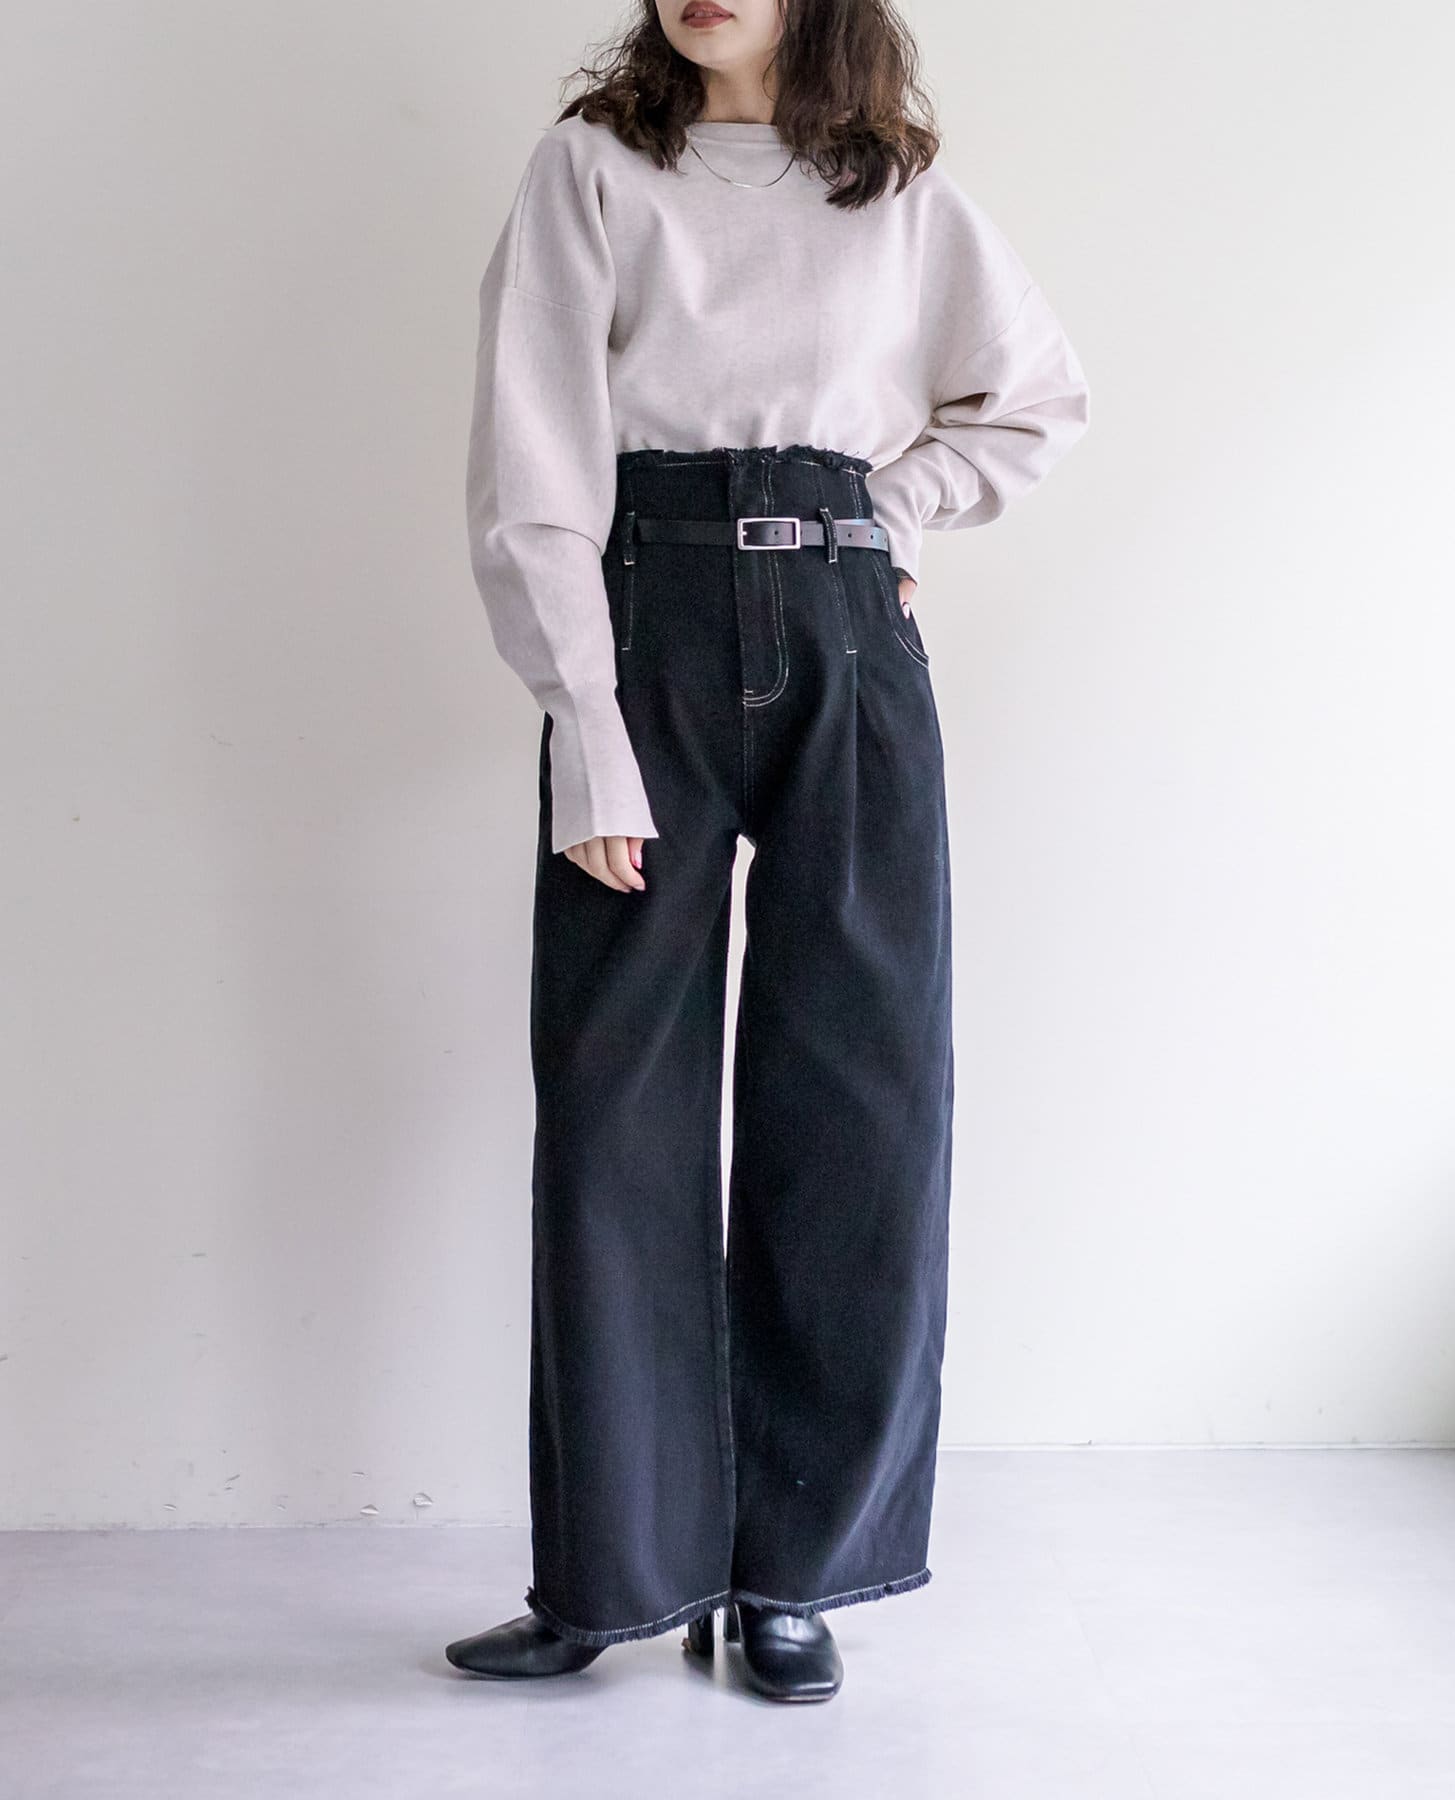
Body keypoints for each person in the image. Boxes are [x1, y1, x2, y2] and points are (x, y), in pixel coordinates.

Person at [445, 0, 1089, 1703]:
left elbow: (1035, 400)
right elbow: (532, 462)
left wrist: (895, 508)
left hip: (847, 638)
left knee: (858, 1097)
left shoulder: (900, 194)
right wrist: (589, 733)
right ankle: (611, 1573)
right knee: (614, 1113)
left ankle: (797, 1572)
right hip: (641, 633)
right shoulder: (593, 169)